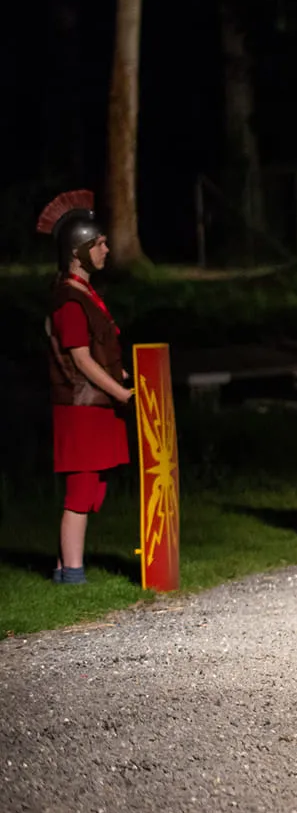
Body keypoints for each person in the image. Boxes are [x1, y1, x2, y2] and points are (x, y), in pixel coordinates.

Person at [37, 192, 131, 585]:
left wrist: (122, 376)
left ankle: (64, 569)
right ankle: (72, 574)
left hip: (96, 406)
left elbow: (98, 351)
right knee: (80, 491)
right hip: (81, 409)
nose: (107, 249)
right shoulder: (69, 302)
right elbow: (81, 360)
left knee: (93, 488)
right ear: (78, 251)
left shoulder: (86, 296)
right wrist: (121, 392)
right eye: (99, 244)